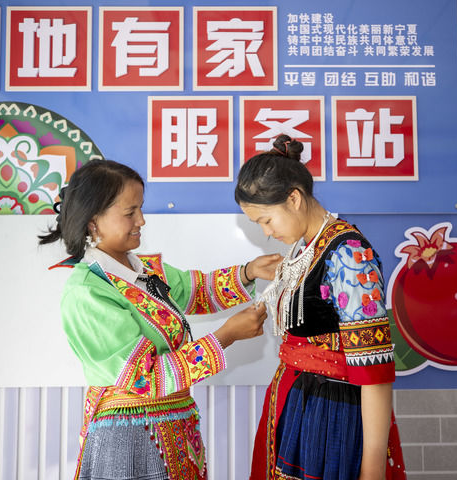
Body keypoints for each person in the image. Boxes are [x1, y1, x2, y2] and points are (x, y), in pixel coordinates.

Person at [39, 159, 280, 480]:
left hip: (174, 428)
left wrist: (249, 271)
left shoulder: (144, 271)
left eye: (140, 209)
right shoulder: (88, 291)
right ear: (94, 221)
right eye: (130, 212)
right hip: (128, 438)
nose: (141, 220)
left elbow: (196, 291)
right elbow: (146, 378)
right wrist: (226, 336)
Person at [235, 135, 406, 480]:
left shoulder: (349, 255)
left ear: (294, 198)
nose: (266, 232)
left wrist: (373, 463)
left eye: (266, 220)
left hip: (331, 415)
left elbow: (373, 368)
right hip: (299, 402)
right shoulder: (306, 248)